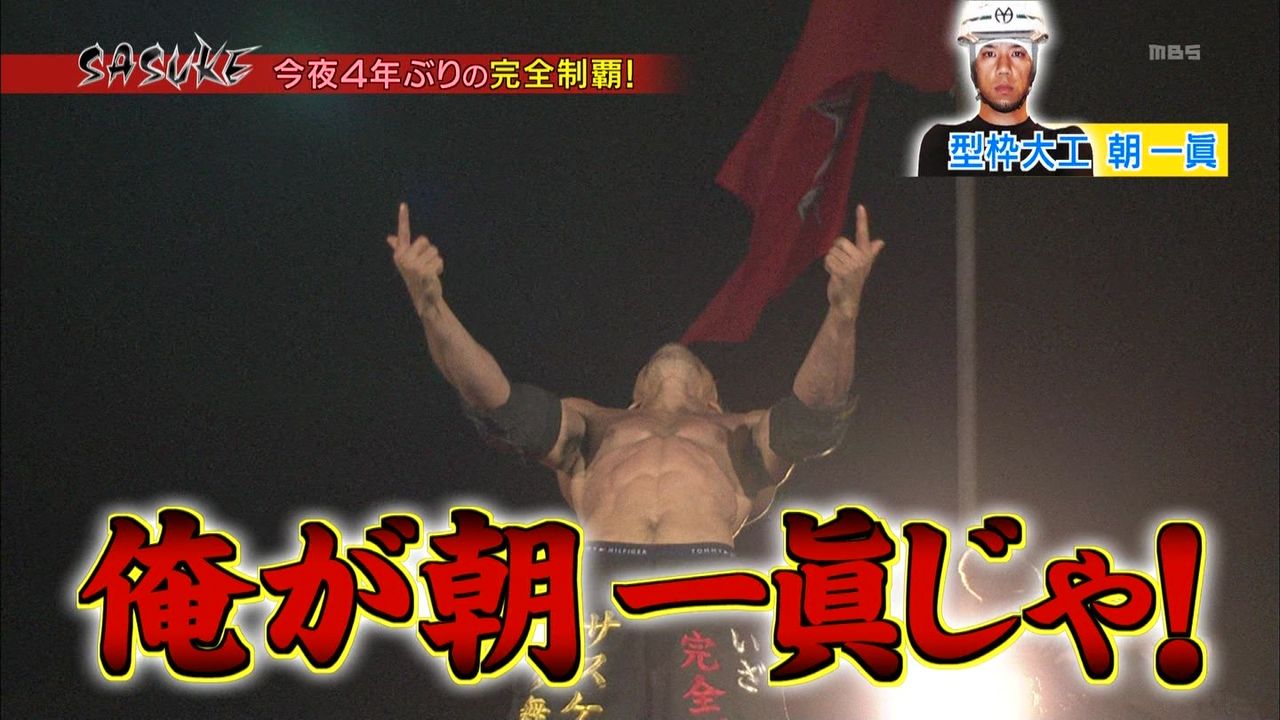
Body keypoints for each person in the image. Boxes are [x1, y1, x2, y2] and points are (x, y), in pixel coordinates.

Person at [386, 201, 883, 718]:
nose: (673, 356)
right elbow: (497, 403)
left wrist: (842, 313)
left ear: (714, 398)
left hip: (706, 585)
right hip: (599, 583)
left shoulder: (739, 431)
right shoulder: (594, 422)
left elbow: (814, 416)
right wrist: (432, 308)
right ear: (633, 397)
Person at [917, 1, 1093, 176]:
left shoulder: (1066, 147)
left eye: (1017, 53)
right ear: (974, 66)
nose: (1003, 68)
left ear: (1032, 66)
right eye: (989, 54)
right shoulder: (943, 144)